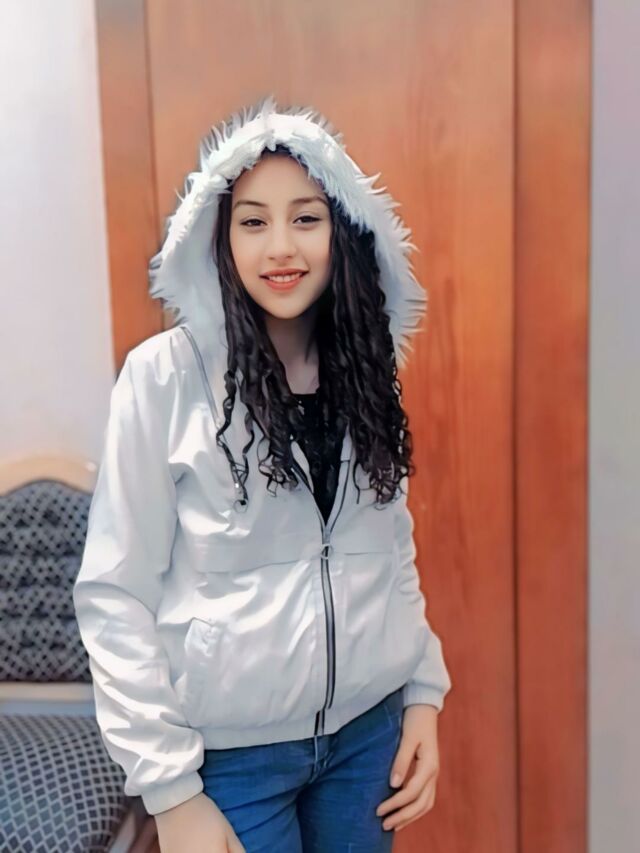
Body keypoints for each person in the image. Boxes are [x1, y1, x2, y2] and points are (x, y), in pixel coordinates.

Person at [73, 95, 452, 852]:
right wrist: (171, 792)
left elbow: (390, 549)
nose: (281, 246)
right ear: (219, 237)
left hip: (367, 738)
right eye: (253, 221)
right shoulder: (164, 377)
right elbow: (116, 594)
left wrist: (422, 691)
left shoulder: (365, 370)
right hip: (232, 761)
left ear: (344, 232)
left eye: (306, 217)